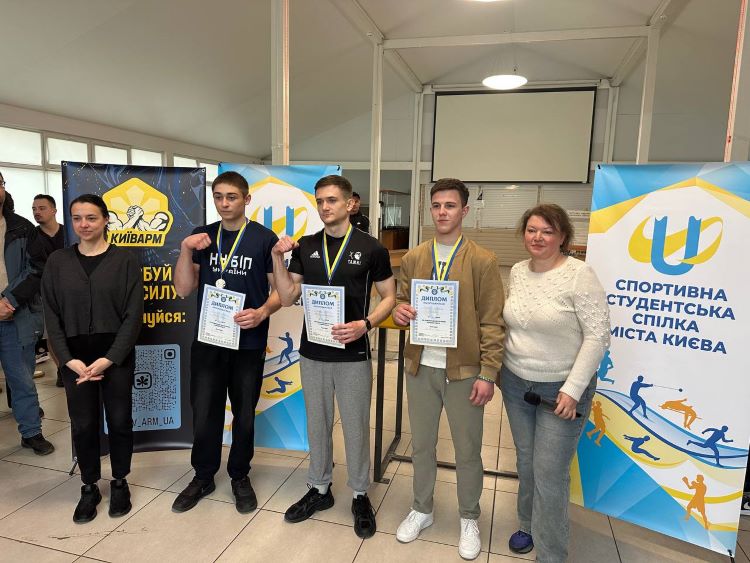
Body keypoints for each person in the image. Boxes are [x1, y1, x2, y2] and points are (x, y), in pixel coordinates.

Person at [272, 174, 395, 539]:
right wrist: (278, 258)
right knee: (317, 423)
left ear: (349, 203)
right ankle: (319, 488)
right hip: (313, 352)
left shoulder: (372, 248)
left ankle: (359, 494)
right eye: (320, 201)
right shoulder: (307, 246)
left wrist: (366, 324)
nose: (325, 207)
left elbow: (389, 296)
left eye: (332, 200)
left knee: (355, 425)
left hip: (353, 352)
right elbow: (288, 296)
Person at [391, 178, 504, 561]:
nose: (442, 212)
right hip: (421, 367)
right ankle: (421, 508)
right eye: (437, 205)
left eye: (450, 205)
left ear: (464, 211)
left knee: (468, 450)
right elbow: (402, 300)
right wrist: (400, 310)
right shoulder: (414, 257)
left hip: (465, 371)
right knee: (422, 445)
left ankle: (469, 517)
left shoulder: (483, 260)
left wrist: (488, 373)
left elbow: (492, 322)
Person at [500, 203, 610, 562]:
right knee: (527, 461)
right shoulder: (518, 271)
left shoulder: (580, 275)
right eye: (532, 230)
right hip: (516, 384)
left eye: (547, 231)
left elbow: (598, 337)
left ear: (563, 236)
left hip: (561, 391)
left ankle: (551, 554)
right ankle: (528, 524)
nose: (538, 237)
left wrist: (573, 389)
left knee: (550, 472)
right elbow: (516, 324)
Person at [172, 171, 281, 515]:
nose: (224, 203)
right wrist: (185, 249)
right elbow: (183, 288)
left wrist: (263, 312)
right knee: (205, 411)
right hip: (209, 340)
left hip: (248, 341)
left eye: (231, 197)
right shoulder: (202, 236)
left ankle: (239, 475)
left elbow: (280, 290)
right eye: (218, 196)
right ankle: (203, 476)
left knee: (244, 412)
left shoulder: (263, 238)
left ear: (246, 199)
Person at [41, 193, 143, 523]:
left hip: (116, 354)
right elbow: (51, 315)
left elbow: (133, 316)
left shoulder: (125, 261)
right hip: (75, 358)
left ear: (106, 220)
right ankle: (89, 485)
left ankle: (120, 481)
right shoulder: (58, 262)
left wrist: (110, 358)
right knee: (83, 424)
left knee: (120, 420)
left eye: (91, 218)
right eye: (77, 218)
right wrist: (67, 360)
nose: (83, 224)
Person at [0, 172, 54, 456]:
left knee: (21, 379)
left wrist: (9, 300)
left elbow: (36, 267)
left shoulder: (22, 228)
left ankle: (31, 432)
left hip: (15, 316)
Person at [32, 194, 66, 387]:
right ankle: (62, 369)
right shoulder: (32, 236)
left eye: (42, 208)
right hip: (44, 292)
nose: (37, 212)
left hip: (71, 290)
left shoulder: (69, 233)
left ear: (54, 210)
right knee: (53, 332)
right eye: (34, 209)